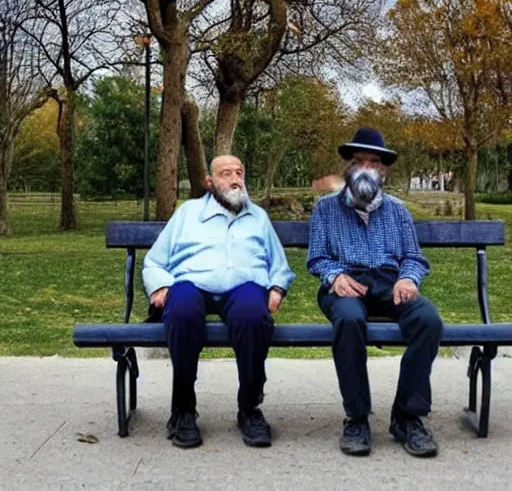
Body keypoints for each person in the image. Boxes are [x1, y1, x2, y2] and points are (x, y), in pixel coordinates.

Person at [307, 127, 443, 458]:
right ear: (348, 168)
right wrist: (334, 275)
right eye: (358, 161)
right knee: (350, 320)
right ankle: (356, 418)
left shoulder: (397, 210)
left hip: (389, 283)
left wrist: (408, 279)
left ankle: (408, 417)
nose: (365, 167)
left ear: (382, 170)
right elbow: (317, 258)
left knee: (428, 319)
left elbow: (413, 257)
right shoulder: (326, 208)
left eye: (373, 162)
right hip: (344, 283)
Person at [142, 155, 295, 449]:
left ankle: (250, 409)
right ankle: (183, 410)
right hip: (192, 283)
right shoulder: (188, 213)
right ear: (210, 183)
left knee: (253, 314)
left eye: (240, 172)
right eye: (226, 174)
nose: (236, 179)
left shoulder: (258, 217)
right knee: (183, 310)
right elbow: (154, 261)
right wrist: (160, 286)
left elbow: (279, 264)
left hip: (243, 286)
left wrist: (277, 287)